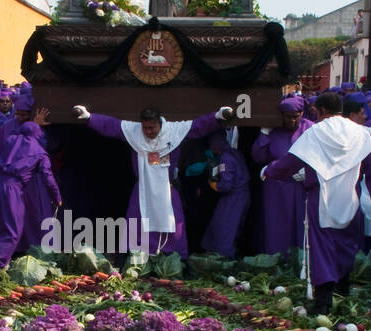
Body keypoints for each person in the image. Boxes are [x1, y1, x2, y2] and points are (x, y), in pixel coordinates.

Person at [260, 92, 371, 312]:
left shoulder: (315, 132)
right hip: (351, 195)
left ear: (321, 111)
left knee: (322, 248)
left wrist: (268, 171)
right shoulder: (360, 133)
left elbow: (290, 163)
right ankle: (344, 290)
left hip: (322, 196)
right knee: (346, 244)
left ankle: (323, 302)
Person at [73, 102, 233, 258]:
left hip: (167, 189)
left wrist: (218, 116)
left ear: (159, 123)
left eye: (152, 127)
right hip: (142, 188)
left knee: (174, 223)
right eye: (145, 128)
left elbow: (197, 126)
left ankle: (173, 257)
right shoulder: (134, 131)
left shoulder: (174, 131)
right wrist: (89, 117)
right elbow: (112, 126)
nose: (148, 131)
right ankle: (137, 256)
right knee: (137, 222)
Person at [0, 115, 59, 274]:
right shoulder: (39, 152)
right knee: (12, 230)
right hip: (13, 189)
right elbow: (48, 177)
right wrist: (56, 197)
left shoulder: (9, 140)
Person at [250, 97, 308, 257]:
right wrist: (264, 134)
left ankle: (301, 261)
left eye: (296, 116)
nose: (292, 120)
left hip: (302, 185)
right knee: (277, 224)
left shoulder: (310, 128)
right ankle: (277, 260)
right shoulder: (274, 130)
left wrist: (309, 171)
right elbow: (258, 157)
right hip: (277, 187)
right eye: (288, 116)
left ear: (302, 113)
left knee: (302, 223)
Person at [199, 129, 249, 258]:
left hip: (233, 199)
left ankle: (224, 260)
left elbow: (226, 185)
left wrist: (214, 185)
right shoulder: (235, 153)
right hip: (242, 196)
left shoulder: (226, 158)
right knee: (233, 229)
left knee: (225, 230)